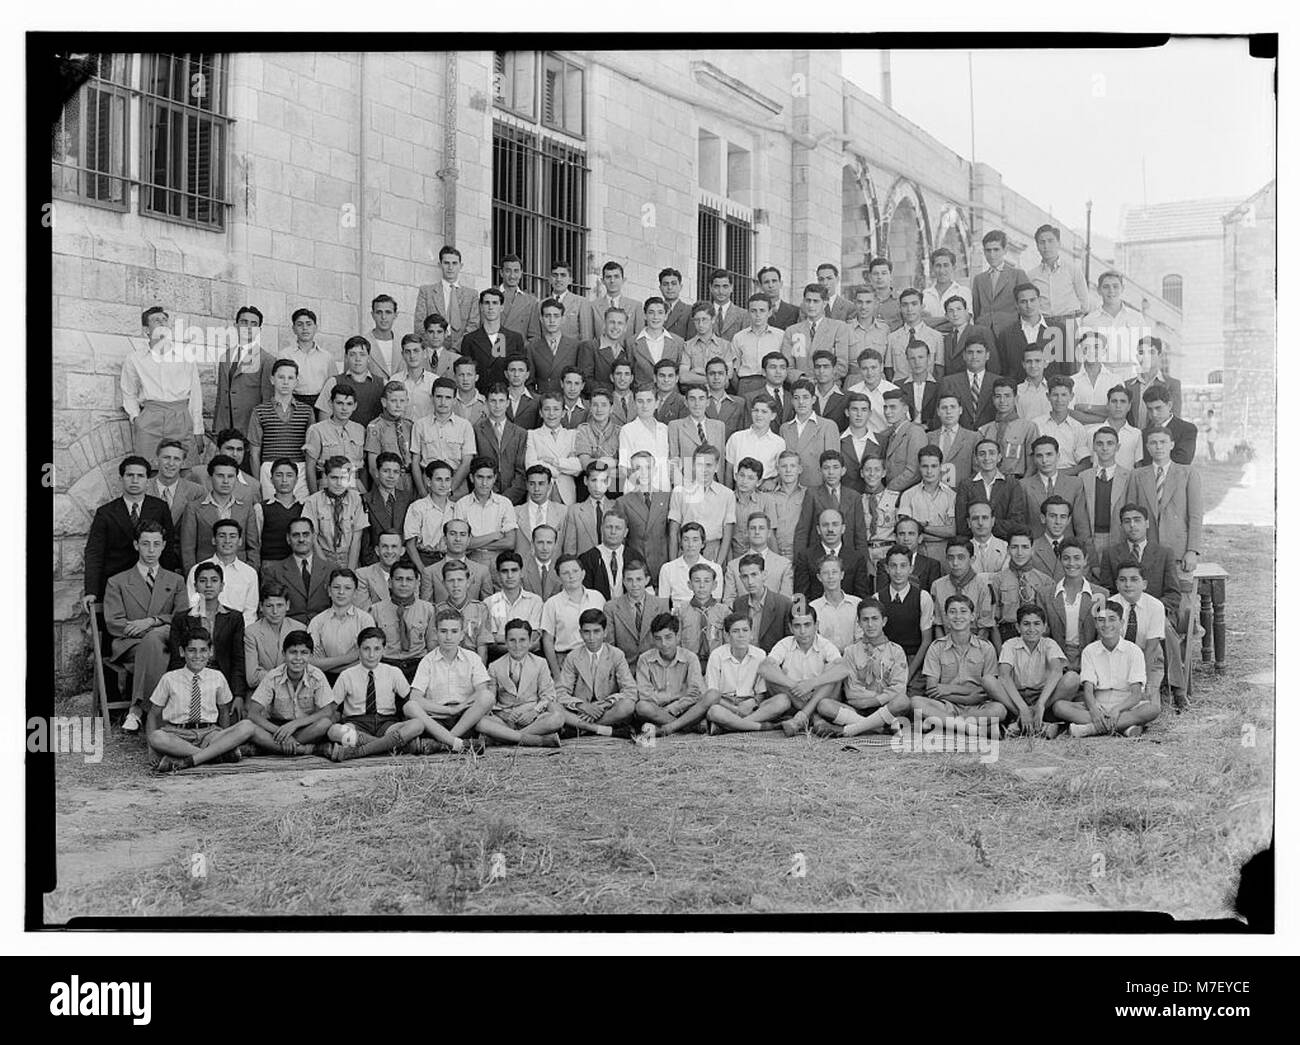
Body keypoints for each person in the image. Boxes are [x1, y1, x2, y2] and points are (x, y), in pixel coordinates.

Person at [146, 629, 256, 772]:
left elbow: (224, 711)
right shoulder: (169, 678)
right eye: (192, 650)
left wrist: (223, 737)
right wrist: (151, 750)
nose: (198, 656)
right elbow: (153, 714)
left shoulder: (217, 677)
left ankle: (185, 758)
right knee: (156, 737)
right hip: (178, 734)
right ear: (182, 652)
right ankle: (214, 755)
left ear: (211, 652)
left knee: (247, 726)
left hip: (209, 733)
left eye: (203, 650)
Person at [1052, 600, 1157, 738]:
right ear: (1096, 624)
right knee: (1059, 707)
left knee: (1152, 709)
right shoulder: (1089, 651)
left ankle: (1090, 729)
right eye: (1101, 620)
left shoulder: (1134, 651)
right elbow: (1088, 690)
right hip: (1099, 703)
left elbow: (1136, 695)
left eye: (1112, 619)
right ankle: (1124, 727)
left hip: (1125, 705)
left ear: (1122, 623)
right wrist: (1094, 709)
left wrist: (1117, 709)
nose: (1106, 625)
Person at [82, 456, 177, 608]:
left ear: (147, 480)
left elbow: (168, 549)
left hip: (152, 584)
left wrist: (168, 586)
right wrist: (91, 591)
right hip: (115, 586)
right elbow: (94, 553)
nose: (134, 480)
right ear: (121, 479)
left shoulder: (160, 508)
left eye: (140, 476)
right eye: (129, 475)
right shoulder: (106, 513)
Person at [399, 610, 493, 753]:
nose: (449, 637)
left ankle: (445, 742)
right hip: (437, 719)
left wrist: (460, 707)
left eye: (454, 631)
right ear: (436, 633)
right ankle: (456, 743)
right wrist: (448, 710)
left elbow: (482, 690)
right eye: (443, 631)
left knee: (488, 696)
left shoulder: (472, 658)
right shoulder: (428, 661)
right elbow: (415, 697)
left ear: (462, 635)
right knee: (410, 706)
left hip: (465, 717)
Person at [120, 306, 205, 461]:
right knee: (149, 467)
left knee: (185, 469)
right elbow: (128, 391)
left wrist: (198, 430)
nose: (162, 323)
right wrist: (136, 419)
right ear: (146, 329)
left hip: (181, 418)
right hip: (150, 419)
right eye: (156, 320)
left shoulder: (185, 356)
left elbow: (195, 395)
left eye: (164, 320)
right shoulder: (135, 359)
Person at [914, 594, 1006, 738]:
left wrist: (949, 689)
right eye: (952, 611)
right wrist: (968, 695)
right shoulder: (936, 647)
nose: (958, 616)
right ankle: (970, 728)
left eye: (963, 611)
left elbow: (985, 691)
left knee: (999, 710)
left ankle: (946, 725)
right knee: (916, 702)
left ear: (972, 616)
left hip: (978, 707)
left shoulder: (986, 647)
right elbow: (932, 690)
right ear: (946, 617)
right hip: (947, 706)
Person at [822, 599, 912, 736]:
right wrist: (877, 696)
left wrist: (875, 700)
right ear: (859, 623)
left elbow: (899, 687)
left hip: (885, 707)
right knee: (824, 705)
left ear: (884, 621)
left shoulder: (896, 651)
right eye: (865, 620)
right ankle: (879, 727)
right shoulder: (850, 652)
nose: (870, 624)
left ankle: (852, 729)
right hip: (858, 708)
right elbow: (851, 692)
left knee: (903, 701)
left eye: (875, 619)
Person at [758, 605, 849, 736]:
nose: (802, 631)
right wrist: (795, 686)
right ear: (790, 627)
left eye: (807, 625)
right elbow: (764, 668)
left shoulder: (825, 645)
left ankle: (802, 717)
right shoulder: (785, 644)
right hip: (794, 695)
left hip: (820, 695)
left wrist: (812, 683)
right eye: (797, 626)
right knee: (773, 673)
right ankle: (815, 718)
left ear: (816, 625)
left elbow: (844, 669)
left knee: (833, 672)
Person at [1125, 428, 1202, 578]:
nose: (1158, 447)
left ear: (1172, 444)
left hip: (1179, 551)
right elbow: (1131, 515)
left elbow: (1196, 516)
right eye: (1153, 443)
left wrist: (1192, 550)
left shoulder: (1188, 473)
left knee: (1181, 597)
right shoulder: (1137, 475)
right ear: (1147, 447)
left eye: (1163, 442)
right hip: (1146, 550)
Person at [245, 630, 335, 756]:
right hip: (276, 728)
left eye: (304, 653)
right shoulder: (273, 677)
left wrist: (295, 724)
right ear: (284, 654)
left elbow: (327, 711)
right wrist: (283, 734)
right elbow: (253, 714)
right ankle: (307, 749)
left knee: (325, 724)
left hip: (304, 727)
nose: (298, 658)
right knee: (251, 728)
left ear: (310, 655)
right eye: (293, 652)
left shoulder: (317, 676)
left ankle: (266, 748)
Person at [480, 620, 564, 748]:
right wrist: (504, 714)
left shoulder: (540, 663)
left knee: (557, 718)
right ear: (506, 642)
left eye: (522, 640)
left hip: (533, 719)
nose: (517, 645)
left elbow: (548, 695)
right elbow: (490, 700)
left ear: (530, 641)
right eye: (512, 640)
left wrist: (534, 712)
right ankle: (533, 739)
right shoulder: (495, 666)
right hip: (506, 719)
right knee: (480, 721)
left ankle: (508, 738)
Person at [997, 604, 1074, 738]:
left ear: (1044, 627)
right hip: (1017, 696)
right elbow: (1004, 676)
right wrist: (1022, 707)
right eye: (1026, 624)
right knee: (988, 681)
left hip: (1043, 695)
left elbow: (1057, 671)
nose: (1031, 629)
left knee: (1072, 679)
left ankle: (1036, 718)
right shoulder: (1010, 645)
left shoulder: (1049, 644)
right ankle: (1024, 718)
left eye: (1037, 624)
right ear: (1018, 627)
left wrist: (1040, 704)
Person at [633, 613, 713, 738]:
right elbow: (644, 694)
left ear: (678, 636)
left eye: (668, 637)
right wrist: (664, 707)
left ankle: (670, 726)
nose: (664, 643)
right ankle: (687, 727)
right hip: (657, 711)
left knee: (709, 697)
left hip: (684, 708)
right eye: (658, 639)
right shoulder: (644, 659)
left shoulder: (690, 658)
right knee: (642, 707)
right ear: (653, 639)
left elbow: (694, 694)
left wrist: (673, 708)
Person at [180, 454, 261, 575]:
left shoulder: (246, 508)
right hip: (205, 574)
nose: (226, 481)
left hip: (240, 573)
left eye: (231, 476)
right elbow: (187, 549)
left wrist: (250, 573)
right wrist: (193, 576)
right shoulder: (194, 507)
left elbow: (253, 546)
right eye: (220, 476)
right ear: (210, 478)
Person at [248, 358, 314, 499]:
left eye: (290, 378)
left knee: (300, 513)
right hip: (269, 470)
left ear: (296, 382)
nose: (285, 382)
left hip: (299, 469)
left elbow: (311, 451)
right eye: (281, 377)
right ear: (272, 379)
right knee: (271, 514)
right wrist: (256, 485)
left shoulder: (307, 411)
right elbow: (254, 454)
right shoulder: (260, 411)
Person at [1111, 559, 1173, 710]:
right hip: (1118, 661)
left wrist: (1141, 682)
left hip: (1149, 662)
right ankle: (1125, 723)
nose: (1128, 585)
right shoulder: (1110, 605)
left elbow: (1151, 648)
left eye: (1134, 579)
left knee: (1149, 704)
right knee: (1116, 699)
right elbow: (1110, 645)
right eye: (1123, 580)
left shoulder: (1155, 606)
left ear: (1144, 584)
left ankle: (1129, 720)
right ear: (1117, 584)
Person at [1041, 539, 1108, 673]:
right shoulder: (1046, 594)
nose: (1072, 563)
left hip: (1090, 658)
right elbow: (1043, 633)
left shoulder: (1100, 594)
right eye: (1066, 558)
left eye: (1077, 558)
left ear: (1085, 560)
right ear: (1059, 559)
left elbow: (1102, 633)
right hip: (1055, 659)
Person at [877, 543, 936, 695]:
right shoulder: (877, 599)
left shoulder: (923, 597)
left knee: (911, 702)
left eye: (903, 566)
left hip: (914, 661)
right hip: (888, 660)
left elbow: (926, 641)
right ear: (886, 568)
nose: (898, 571)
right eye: (893, 566)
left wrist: (908, 673)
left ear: (911, 569)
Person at [368, 558, 438, 679]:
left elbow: (432, 646)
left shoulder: (429, 610)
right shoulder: (375, 610)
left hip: (418, 664)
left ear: (417, 583)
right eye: (399, 579)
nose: (404, 584)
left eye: (409, 579)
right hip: (386, 664)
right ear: (390, 582)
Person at [703, 613, 772, 733]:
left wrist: (753, 702)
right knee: (714, 711)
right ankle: (759, 727)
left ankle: (729, 726)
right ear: (727, 636)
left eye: (745, 630)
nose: (741, 635)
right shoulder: (717, 655)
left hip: (750, 704)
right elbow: (712, 693)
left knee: (781, 702)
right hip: (725, 704)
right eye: (735, 631)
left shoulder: (760, 654)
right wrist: (735, 709)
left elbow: (761, 691)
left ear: (751, 633)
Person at [214, 305, 276, 436]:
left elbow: (267, 399)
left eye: (254, 324)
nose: (248, 327)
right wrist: (216, 427)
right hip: (224, 427)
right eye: (244, 322)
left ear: (259, 329)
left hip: (249, 428)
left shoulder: (267, 360)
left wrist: (262, 432)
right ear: (236, 325)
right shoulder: (225, 356)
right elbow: (220, 395)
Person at [540, 554, 606, 675]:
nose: (571, 576)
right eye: (565, 573)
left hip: (596, 658)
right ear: (559, 577)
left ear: (583, 573)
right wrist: (556, 674)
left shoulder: (597, 597)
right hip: (565, 660)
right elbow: (548, 640)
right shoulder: (552, 604)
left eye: (575, 571)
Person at [300, 456, 370, 569]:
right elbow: (313, 538)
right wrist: (326, 568)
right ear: (326, 478)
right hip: (322, 558)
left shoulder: (357, 499)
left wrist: (350, 570)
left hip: (349, 558)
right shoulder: (313, 501)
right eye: (334, 478)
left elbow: (357, 539)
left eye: (343, 478)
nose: (338, 483)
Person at [668, 446, 736, 562]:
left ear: (716, 467)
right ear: (693, 466)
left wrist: (718, 564)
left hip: (713, 551)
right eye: (699, 465)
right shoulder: (680, 492)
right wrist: (673, 563)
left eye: (708, 465)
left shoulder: (727, 495)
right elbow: (673, 533)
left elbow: (727, 535)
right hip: (686, 551)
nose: (704, 470)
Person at [411, 377, 476, 496]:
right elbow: (415, 461)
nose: (443, 402)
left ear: (455, 400)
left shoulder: (465, 426)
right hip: (428, 483)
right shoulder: (420, 425)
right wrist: (422, 491)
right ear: (432, 398)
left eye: (448, 398)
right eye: (439, 397)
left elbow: (467, 462)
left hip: (457, 484)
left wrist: (450, 489)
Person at [185, 519, 258, 624]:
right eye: (222, 536)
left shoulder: (250, 573)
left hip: (238, 632)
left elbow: (250, 612)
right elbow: (192, 606)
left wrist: (239, 632)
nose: (227, 541)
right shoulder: (197, 570)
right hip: (203, 630)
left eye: (232, 536)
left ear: (240, 541)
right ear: (214, 540)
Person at [306, 568, 374, 681]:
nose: (341, 592)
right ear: (329, 591)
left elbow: (368, 658)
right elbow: (310, 661)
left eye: (347, 588)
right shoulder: (317, 621)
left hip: (357, 679)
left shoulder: (365, 620)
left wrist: (326, 664)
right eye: (336, 587)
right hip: (324, 680)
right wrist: (352, 657)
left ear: (355, 592)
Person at [930, 538, 1000, 646]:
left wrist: (973, 648)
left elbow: (985, 626)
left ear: (972, 559)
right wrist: (943, 648)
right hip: (946, 644)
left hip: (976, 644)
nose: (955, 563)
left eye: (961, 558)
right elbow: (938, 623)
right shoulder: (937, 586)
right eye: (950, 558)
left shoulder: (984, 586)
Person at [793, 450, 865, 555]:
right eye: (826, 468)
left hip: (848, 555)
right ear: (820, 470)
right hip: (818, 555)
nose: (831, 472)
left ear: (843, 470)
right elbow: (803, 530)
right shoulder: (812, 494)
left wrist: (863, 562)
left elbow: (860, 534)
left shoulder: (854, 497)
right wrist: (799, 561)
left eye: (835, 467)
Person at [1021, 436, 1091, 543]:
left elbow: (1081, 522)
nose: (1044, 460)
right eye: (1039, 456)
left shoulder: (1075, 484)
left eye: (1049, 455)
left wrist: (1082, 547)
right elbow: (1022, 523)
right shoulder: (1024, 485)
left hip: (1068, 548)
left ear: (1058, 456)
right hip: (1036, 549)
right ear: (1034, 459)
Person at [793, 507, 873, 600]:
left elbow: (862, 597)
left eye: (835, 524)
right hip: (816, 612)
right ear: (818, 529)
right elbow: (799, 595)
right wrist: (799, 614)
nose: (830, 529)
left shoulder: (857, 558)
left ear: (843, 528)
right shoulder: (805, 557)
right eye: (825, 525)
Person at [955, 439, 1028, 539]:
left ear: (999, 457)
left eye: (992, 453)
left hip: (1005, 543)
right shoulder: (966, 485)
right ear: (976, 459)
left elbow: (1017, 523)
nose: (987, 458)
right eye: (982, 454)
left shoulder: (1012, 484)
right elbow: (962, 524)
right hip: (973, 544)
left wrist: (981, 524)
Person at [454, 456, 518, 570]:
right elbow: (461, 544)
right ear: (471, 478)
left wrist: (474, 543)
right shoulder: (461, 504)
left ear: (495, 478)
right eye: (480, 477)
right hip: (471, 560)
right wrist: (493, 536)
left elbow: (510, 542)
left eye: (489, 478)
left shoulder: (504, 503)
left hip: (499, 561)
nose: (484, 483)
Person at [993, 527, 1056, 642]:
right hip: (1007, 633)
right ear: (1007, 550)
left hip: (1036, 634)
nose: (1019, 552)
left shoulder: (1046, 581)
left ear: (1032, 549)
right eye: (1014, 547)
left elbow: (1049, 621)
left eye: (1025, 547)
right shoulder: (997, 580)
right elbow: (993, 621)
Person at [413, 245, 479, 351]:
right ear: (440, 265)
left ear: (461, 266)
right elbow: (419, 325)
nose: (450, 267)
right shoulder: (426, 292)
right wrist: (435, 348)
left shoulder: (472, 295)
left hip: (461, 353)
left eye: (454, 263)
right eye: (446, 263)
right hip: (432, 351)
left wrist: (456, 349)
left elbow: (473, 326)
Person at [1077, 426, 1131, 554]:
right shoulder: (1083, 477)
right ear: (1094, 447)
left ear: (1117, 447)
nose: (1105, 448)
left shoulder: (1129, 477)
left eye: (1110, 443)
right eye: (1100, 444)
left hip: (1119, 538)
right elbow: (1081, 514)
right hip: (1092, 536)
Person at [898, 446, 956, 563]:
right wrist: (939, 533)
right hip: (916, 554)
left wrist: (922, 528)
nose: (929, 471)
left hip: (943, 554)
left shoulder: (952, 496)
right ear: (919, 467)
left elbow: (951, 531)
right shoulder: (908, 495)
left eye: (934, 466)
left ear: (941, 467)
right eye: (925, 466)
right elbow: (907, 534)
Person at [244, 580, 305, 690]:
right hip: (262, 693)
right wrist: (289, 676)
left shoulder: (300, 628)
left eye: (280, 605)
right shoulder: (251, 633)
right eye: (269, 606)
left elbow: (305, 670)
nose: (275, 611)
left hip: (296, 692)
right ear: (261, 607)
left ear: (287, 605)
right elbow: (252, 678)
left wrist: (267, 674)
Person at [783, 283, 852, 381]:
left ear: (825, 303)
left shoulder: (838, 328)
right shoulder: (792, 331)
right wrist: (802, 379)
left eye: (816, 301)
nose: (811, 305)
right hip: (801, 387)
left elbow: (842, 365)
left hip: (829, 387)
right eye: (808, 301)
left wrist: (819, 379)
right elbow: (787, 366)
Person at [483, 550, 544, 659]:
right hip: (498, 657)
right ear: (498, 575)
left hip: (531, 657)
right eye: (504, 571)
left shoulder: (535, 601)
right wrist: (521, 641)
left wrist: (501, 638)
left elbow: (534, 636)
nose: (510, 575)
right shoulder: (488, 603)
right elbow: (491, 640)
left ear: (522, 573)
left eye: (514, 570)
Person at [403, 460, 456, 584]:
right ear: (428, 482)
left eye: (447, 479)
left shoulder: (457, 508)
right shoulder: (418, 507)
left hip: (450, 560)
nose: (443, 484)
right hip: (424, 559)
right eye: (438, 479)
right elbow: (410, 545)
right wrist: (423, 570)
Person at [729, 553, 794, 653]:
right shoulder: (738, 604)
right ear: (741, 578)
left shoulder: (783, 604)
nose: (750, 581)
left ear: (764, 575)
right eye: (745, 576)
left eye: (754, 575)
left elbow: (789, 642)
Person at [316, 336, 385, 429]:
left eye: (362, 354)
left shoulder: (382, 383)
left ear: (369, 357)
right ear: (346, 357)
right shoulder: (334, 382)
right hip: (341, 440)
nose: (358, 359)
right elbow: (324, 421)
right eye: (353, 354)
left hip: (374, 440)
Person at [422, 517, 494, 605]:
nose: (458, 539)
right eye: (452, 534)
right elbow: (426, 609)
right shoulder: (430, 572)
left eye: (463, 534)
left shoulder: (482, 571)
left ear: (468, 540)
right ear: (444, 539)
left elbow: (488, 606)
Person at [528, 391, 584, 504]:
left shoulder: (572, 435)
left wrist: (553, 461)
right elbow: (531, 466)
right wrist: (564, 467)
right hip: (539, 493)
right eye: (547, 409)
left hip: (566, 495)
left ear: (563, 413)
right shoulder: (532, 435)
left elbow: (578, 466)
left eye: (556, 409)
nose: (551, 414)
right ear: (540, 412)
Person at [723, 510, 791, 600]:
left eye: (761, 528)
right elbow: (728, 600)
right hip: (742, 613)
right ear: (747, 533)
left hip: (775, 613)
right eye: (753, 528)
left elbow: (786, 600)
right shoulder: (733, 566)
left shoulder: (784, 565)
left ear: (769, 533)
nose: (757, 532)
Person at [432, 560, 492, 661]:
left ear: (468, 582)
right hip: (446, 661)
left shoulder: (480, 609)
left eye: (460, 580)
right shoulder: (437, 610)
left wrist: (478, 672)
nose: (455, 585)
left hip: (473, 662)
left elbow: (482, 646)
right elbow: (434, 644)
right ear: (444, 583)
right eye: (451, 580)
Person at [576, 506, 640, 601]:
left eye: (618, 528)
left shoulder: (634, 557)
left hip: (629, 612)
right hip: (597, 612)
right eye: (609, 527)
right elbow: (583, 594)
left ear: (625, 532)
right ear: (602, 529)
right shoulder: (587, 558)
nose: (613, 532)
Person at [970, 229, 1029, 328]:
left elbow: (1026, 306)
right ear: (984, 251)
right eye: (988, 250)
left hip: (1010, 331)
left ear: (1005, 250)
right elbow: (977, 310)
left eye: (996, 250)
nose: (992, 255)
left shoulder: (1017, 275)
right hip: (984, 332)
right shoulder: (979, 279)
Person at [658, 522, 723, 611]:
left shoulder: (715, 568)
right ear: (680, 543)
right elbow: (663, 605)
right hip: (677, 618)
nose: (690, 544)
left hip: (706, 617)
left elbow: (716, 604)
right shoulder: (667, 569)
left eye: (695, 540)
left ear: (703, 543)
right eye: (686, 539)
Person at [668, 388, 726, 486]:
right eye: (692, 399)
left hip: (714, 483)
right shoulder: (676, 426)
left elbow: (721, 460)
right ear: (686, 402)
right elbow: (674, 459)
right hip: (688, 483)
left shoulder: (719, 426)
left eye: (701, 399)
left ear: (708, 402)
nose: (697, 404)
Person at [362, 452, 412, 566]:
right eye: (386, 471)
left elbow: (409, 538)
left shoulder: (408, 498)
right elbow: (365, 544)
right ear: (377, 473)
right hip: (375, 564)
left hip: (403, 565)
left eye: (396, 472)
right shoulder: (365, 500)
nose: (391, 476)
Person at [527, 294, 584, 394]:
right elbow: (529, 382)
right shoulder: (532, 347)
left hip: (567, 401)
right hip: (544, 402)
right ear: (541, 319)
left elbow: (580, 379)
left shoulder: (575, 346)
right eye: (547, 316)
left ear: (563, 319)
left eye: (556, 316)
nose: (552, 320)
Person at [734, 293, 788, 397]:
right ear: (748, 312)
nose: (757, 315)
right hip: (747, 384)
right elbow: (734, 369)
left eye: (762, 311)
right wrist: (743, 386)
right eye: (753, 311)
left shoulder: (780, 336)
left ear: (770, 312)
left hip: (772, 383)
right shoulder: (739, 337)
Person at [579, 260, 644, 347]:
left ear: (623, 280)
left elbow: (639, 338)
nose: (612, 280)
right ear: (602, 281)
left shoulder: (636, 306)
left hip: (627, 357)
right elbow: (587, 339)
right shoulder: (592, 306)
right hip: (600, 357)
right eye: (608, 277)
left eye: (616, 276)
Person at [365, 382, 416, 493]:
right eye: (393, 401)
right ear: (384, 402)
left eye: (402, 401)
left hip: (410, 481)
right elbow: (373, 467)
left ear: (407, 402)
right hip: (388, 481)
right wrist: (386, 491)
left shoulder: (410, 426)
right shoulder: (376, 427)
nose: (398, 405)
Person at [725, 396, 786, 486]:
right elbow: (729, 471)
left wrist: (773, 482)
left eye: (764, 412)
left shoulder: (779, 443)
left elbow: (781, 471)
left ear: (773, 416)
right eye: (755, 410)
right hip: (739, 490)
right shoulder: (736, 438)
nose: (759, 415)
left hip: (764, 491)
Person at [677, 562, 729, 666]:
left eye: (707, 581)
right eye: (697, 581)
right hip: (688, 663)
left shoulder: (724, 611)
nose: (702, 586)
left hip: (716, 663)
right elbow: (676, 641)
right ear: (690, 585)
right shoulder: (681, 610)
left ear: (714, 585)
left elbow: (728, 642)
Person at [253, 458, 304, 564]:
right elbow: (255, 542)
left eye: (289, 475)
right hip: (270, 564)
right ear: (271, 479)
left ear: (296, 480)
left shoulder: (304, 508)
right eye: (279, 475)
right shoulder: (261, 508)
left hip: (297, 564)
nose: (284, 480)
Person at [884, 288, 943, 380]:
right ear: (900, 307)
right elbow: (889, 368)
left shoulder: (936, 337)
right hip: (900, 389)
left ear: (922, 306)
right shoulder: (892, 338)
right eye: (905, 305)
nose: (909, 309)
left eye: (914, 304)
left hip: (926, 388)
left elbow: (939, 369)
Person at [283, 308, 334, 413]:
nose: (305, 328)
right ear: (294, 328)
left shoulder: (327, 357)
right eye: (300, 324)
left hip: (321, 403)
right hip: (293, 402)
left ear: (316, 327)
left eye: (309, 324)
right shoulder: (285, 355)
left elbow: (333, 384)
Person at [573, 387, 622, 495]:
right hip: (590, 484)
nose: (599, 409)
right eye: (595, 405)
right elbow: (585, 464)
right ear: (590, 408)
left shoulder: (620, 432)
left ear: (611, 408)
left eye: (604, 405)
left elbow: (623, 466)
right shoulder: (583, 430)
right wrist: (612, 462)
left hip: (614, 483)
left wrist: (595, 461)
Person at [1127, 336, 1183, 427]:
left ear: (1159, 355)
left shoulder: (1172, 384)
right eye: (1141, 352)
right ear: (1137, 357)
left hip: (1158, 438)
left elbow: (1175, 419)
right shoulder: (1128, 385)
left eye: (1151, 352)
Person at [632, 296, 686, 389]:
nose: (655, 317)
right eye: (651, 312)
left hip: (670, 396)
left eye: (660, 313)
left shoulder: (678, 342)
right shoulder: (632, 342)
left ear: (666, 316)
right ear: (645, 315)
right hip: (642, 397)